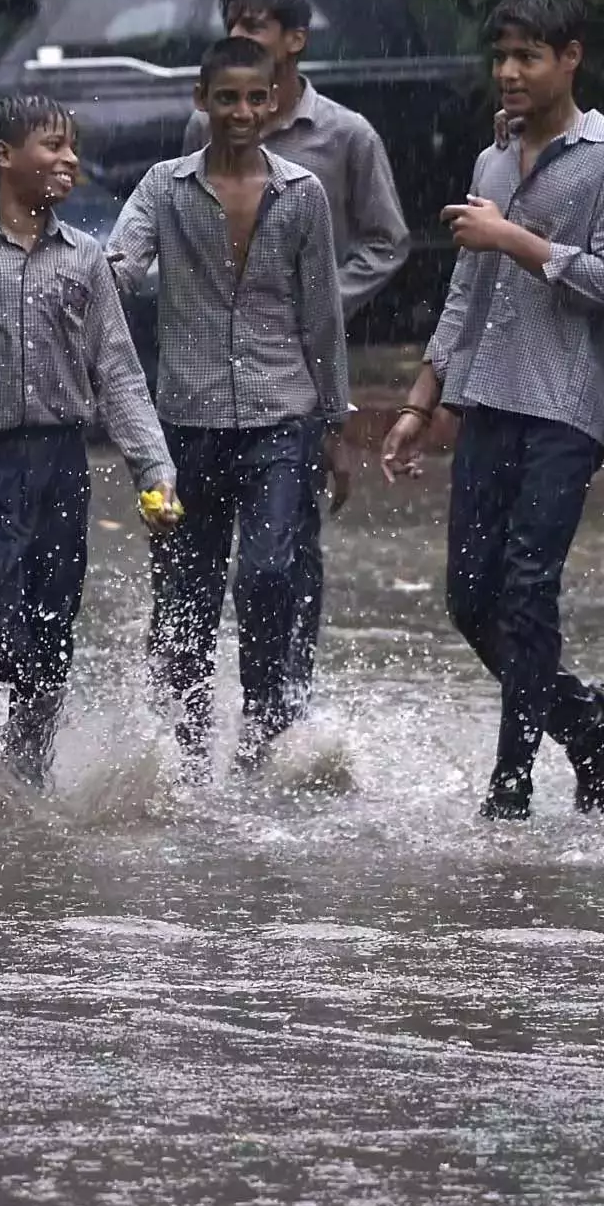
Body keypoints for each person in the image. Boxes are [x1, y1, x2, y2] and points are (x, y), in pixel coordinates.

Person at [377, 0, 604, 822]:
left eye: (527, 56)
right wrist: (422, 401)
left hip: (565, 404)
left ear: (570, 59)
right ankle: (587, 722)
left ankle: (512, 783)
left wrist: (514, 238)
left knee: (528, 588)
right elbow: (466, 288)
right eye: (501, 56)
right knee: (469, 595)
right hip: (488, 396)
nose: (509, 72)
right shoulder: (492, 160)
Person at [0, 95, 176, 785]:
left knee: (51, 640)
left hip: (58, 465)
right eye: (52, 146)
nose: (68, 160)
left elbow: (118, 371)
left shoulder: (84, 261)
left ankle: (24, 787)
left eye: (71, 147)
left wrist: (152, 470)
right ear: (3, 155)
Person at [106, 37, 349, 769]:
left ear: (273, 101)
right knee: (187, 593)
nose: (241, 112)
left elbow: (322, 316)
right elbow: (118, 267)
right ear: (200, 102)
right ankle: (183, 748)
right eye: (226, 98)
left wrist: (335, 428)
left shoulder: (301, 194)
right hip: (187, 419)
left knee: (271, 572)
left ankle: (267, 728)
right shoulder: (163, 187)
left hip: (282, 413)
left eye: (254, 98)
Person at [184, 0, 411, 722]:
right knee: (195, 559)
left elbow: (385, 241)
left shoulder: (343, 136)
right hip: (211, 377)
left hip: (303, 368)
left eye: (258, 25)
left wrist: (317, 300)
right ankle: (184, 719)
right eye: (235, 23)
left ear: (294, 39)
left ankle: (281, 707)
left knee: (283, 556)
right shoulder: (202, 134)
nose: (246, 37)